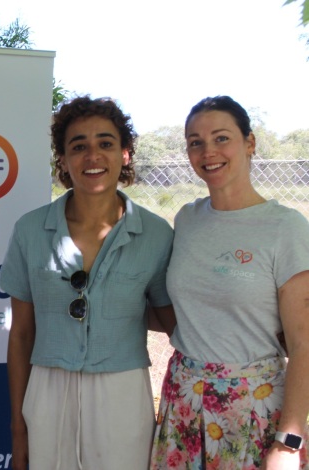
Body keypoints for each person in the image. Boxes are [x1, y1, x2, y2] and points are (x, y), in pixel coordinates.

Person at [0, 96, 175, 469]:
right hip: (48, 387)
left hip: (122, 389)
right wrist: (18, 426)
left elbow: (168, 318)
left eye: (106, 143)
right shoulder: (30, 230)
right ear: (62, 160)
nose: (92, 155)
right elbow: (21, 334)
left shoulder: (156, 234)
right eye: (78, 146)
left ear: (125, 154)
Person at [150, 96, 309, 469]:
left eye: (222, 138)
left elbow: (303, 343)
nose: (209, 151)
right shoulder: (187, 219)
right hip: (183, 402)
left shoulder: (286, 228)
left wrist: (289, 441)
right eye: (196, 142)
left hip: (253, 408)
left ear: (249, 144)